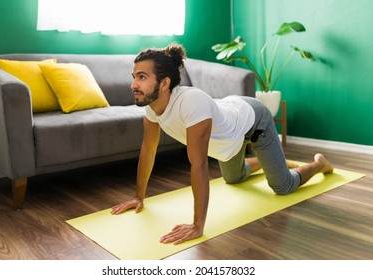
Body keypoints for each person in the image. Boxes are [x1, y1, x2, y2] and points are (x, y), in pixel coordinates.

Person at [111, 42, 334, 245]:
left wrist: (198, 225)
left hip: (254, 121)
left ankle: (318, 164)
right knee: (233, 178)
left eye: (141, 77)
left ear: (164, 83)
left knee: (283, 187)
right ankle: (272, 161)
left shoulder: (191, 101)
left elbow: (198, 164)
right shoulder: (152, 108)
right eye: (134, 77)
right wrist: (138, 196)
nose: (133, 84)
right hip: (230, 124)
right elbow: (148, 149)